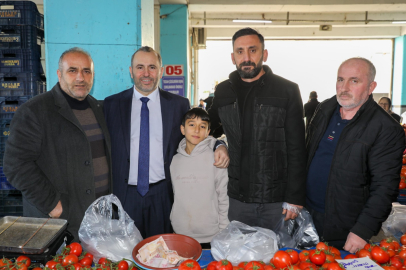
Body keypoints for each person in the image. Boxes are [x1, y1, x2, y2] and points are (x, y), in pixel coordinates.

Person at [104, 46, 229, 238]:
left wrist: (219, 145)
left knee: (162, 254)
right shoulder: (111, 105)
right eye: (140, 67)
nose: (146, 73)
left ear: (161, 71)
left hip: (163, 195)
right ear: (131, 71)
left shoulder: (179, 105)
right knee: (126, 256)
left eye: (152, 67)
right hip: (124, 196)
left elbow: (196, 135)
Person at [3, 47, 112, 241]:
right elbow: (16, 165)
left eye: (86, 71)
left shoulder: (98, 109)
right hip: (60, 223)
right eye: (73, 70)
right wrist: (53, 204)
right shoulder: (35, 111)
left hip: (98, 220)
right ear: (59, 74)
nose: (80, 77)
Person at [208, 27, 307, 231]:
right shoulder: (224, 90)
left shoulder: (287, 90)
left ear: (264, 54)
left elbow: (297, 147)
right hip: (237, 198)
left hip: (276, 200)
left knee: (277, 259)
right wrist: (219, 144)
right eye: (240, 51)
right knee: (240, 258)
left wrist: (295, 197)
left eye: (253, 50)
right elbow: (208, 128)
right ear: (232, 57)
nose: (246, 58)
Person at [306, 57, 405, 253]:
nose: (344, 87)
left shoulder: (385, 128)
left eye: (354, 81)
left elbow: (385, 187)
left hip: (345, 226)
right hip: (308, 216)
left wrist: (362, 230)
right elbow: (307, 154)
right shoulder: (325, 109)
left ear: (371, 87)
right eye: (340, 79)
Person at [170, 108, 229, 248]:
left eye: (202, 126)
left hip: (212, 234)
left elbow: (223, 195)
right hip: (181, 232)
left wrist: (224, 229)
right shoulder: (175, 160)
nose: (197, 130)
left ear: (208, 132)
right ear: (182, 129)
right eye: (191, 125)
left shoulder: (216, 157)